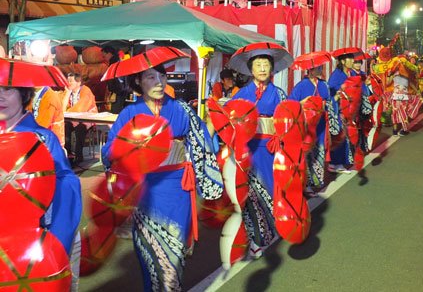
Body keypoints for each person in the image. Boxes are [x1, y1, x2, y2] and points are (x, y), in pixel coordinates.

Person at [101, 48, 223, 291]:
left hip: (177, 188)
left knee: (174, 256)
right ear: (138, 81)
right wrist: (130, 146)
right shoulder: (128, 114)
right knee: (150, 257)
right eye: (150, 77)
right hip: (143, 192)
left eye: (162, 77)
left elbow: (203, 144)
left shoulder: (182, 110)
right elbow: (108, 154)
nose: (159, 83)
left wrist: (212, 126)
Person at [0, 59, 82, 287]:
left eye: (8, 90)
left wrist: (56, 240)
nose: (0, 97)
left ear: (24, 93)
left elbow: (67, 186)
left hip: (38, 240)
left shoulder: (44, 140)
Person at [230, 47, 289, 257]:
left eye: (266, 65)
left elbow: (288, 120)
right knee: (251, 195)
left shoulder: (279, 93)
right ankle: (255, 239)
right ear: (250, 69)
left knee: (274, 190)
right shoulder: (241, 95)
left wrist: (281, 136)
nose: (263, 69)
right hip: (249, 150)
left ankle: (271, 229)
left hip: (272, 149)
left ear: (271, 68)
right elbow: (228, 120)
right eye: (258, 65)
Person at [289, 62, 331, 195]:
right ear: (310, 70)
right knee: (305, 154)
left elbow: (328, 100)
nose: (320, 69)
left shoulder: (323, 84)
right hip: (306, 125)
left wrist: (326, 103)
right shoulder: (301, 86)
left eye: (321, 67)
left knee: (319, 151)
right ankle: (305, 184)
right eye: (317, 67)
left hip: (320, 125)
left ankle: (317, 181)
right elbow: (291, 103)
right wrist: (303, 102)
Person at [327, 53, 355, 174]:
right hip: (338, 110)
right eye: (351, 59)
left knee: (345, 136)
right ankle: (335, 163)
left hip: (347, 109)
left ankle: (339, 162)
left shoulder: (350, 73)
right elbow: (331, 92)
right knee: (339, 136)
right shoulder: (336, 75)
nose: (353, 61)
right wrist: (340, 93)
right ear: (343, 61)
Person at [62, 72, 97, 165]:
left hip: (87, 118)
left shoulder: (86, 90)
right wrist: (67, 93)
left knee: (80, 128)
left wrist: (66, 112)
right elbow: (62, 108)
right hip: (73, 118)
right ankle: (68, 154)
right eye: (67, 80)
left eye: (71, 81)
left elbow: (81, 108)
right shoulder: (68, 91)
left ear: (78, 82)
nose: (68, 83)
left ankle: (78, 155)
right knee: (65, 126)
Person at [102, 46, 131, 114]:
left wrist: (112, 89)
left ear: (109, 53)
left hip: (118, 91)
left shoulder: (114, 63)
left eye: (104, 56)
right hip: (124, 90)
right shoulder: (119, 61)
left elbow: (115, 79)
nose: (104, 58)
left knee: (115, 113)